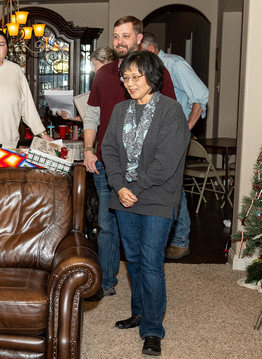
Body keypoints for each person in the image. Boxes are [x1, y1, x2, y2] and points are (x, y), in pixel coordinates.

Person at [82, 16, 177, 302]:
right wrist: (89, 149)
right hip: (110, 166)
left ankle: (148, 306)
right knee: (107, 225)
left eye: (125, 36)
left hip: (151, 175)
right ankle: (106, 280)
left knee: (148, 252)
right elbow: (93, 116)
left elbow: (169, 115)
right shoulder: (104, 74)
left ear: (138, 37)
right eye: (115, 36)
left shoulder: (157, 72)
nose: (119, 41)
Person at [101, 50, 190, 356]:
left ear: (152, 76)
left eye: (136, 76)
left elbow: (167, 162)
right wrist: (119, 185)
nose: (129, 82)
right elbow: (108, 149)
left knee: (151, 263)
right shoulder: (119, 110)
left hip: (157, 197)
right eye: (125, 77)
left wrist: (133, 187)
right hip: (124, 196)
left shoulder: (171, 111)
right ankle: (138, 312)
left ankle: (152, 330)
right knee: (135, 260)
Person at [140, 32, 210, 259]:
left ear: (150, 50)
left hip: (173, 136)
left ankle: (180, 240)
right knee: (160, 184)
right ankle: (164, 239)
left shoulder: (174, 64)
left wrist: (185, 128)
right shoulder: (154, 71)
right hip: (157, 137)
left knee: (172, 185)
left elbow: (201, 96)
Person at [58, 46, 117, 121]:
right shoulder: (100, 83)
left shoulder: (115, 84)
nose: (93, 69)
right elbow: (93, 117)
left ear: (105, 62)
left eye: (95, 64)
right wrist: (70, 117)